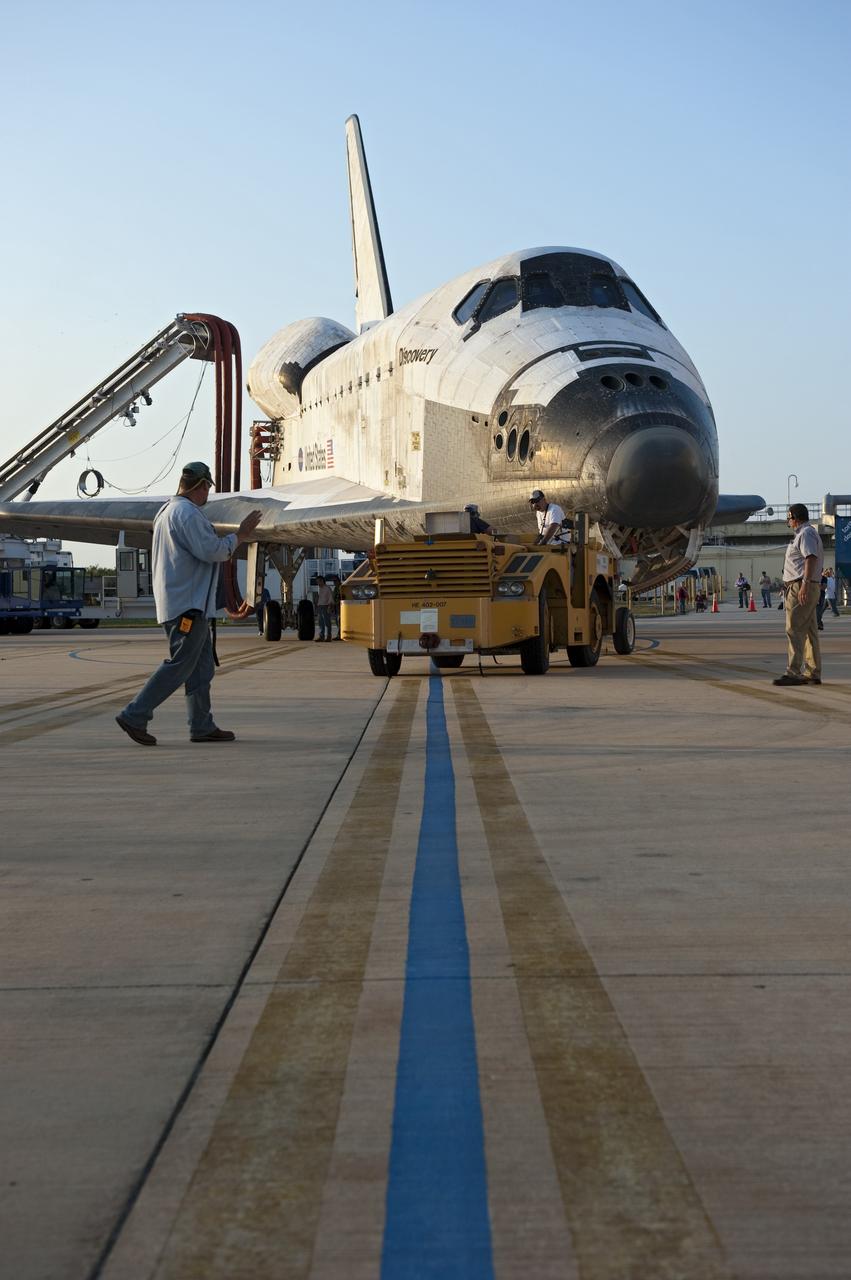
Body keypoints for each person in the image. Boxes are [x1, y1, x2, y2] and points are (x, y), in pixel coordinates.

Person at [116, 462, 262, 745]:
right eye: (207, 487)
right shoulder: (187, 514)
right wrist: (240, 535)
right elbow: (213, 551)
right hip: (188, 608)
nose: (208, 493)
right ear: (201, 486)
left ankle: (202, 725)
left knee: (201, 668)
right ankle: (135, 714)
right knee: (181, 665)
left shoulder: (167, 512)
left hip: (183, 604)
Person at [773, 503, 823, 687]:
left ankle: (793, 672)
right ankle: (813, 671)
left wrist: (805, 585)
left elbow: (810, 558)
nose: (788, 522)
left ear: (795, 517)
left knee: (794, 629)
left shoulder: (806, 534)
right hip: (803, 585)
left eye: (789, 519)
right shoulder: (806, 533)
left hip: (801, 586)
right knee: (809, 632)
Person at [315, 575, 334, 641]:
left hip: (326, 606)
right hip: (320, 606)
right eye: (317, 582)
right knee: (320, 622)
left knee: (327, 622)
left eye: (319, 582)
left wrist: (329, 606)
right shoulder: (320, 589)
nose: (318, 584)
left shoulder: (327, 588)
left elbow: (330, 598)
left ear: (322, 581)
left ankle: (329, 636)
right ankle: (321, 636)